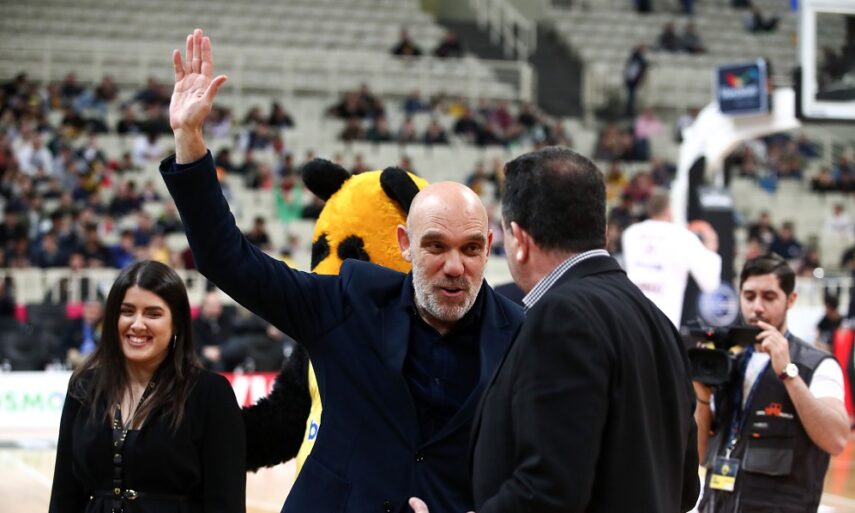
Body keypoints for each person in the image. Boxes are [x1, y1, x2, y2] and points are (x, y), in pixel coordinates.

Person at [160, 29, 522, 513]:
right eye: (435, 246)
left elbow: (536, 465)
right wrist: (189, 140)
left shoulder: (520, 333)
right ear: (405, 244)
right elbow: (229, 260)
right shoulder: (349, 301)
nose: (455, 266)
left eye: (471, 249)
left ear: (489, 247)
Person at [412, 147, 699, 512]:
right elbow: (685, 488)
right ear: (600, 228)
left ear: (519, 240)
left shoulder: (562, 317)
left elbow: (548, 492)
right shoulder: (657, 322)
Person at [48, 260, 245, 513]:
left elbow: (226, 502)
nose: (137, 324)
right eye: (127, 311)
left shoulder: (210, 393)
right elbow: (64, 494)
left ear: (176, 323)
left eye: (153, 314)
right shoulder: (84, 387)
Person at [694, 254, 849, 512]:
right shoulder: (727, 363)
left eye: (769, 297)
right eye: (749, 296)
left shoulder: (816, 365)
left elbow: (836, 439)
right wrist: (702, 397)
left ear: (791, 299)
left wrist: (789, 374)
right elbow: (698, 455)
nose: (757, 307)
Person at [621, 189, 722, 327]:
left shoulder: (630, 234)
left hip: (631, 319)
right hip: (665, 325)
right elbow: (710, 283)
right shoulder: (682, 236)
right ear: (669, 210)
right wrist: (710, 249)